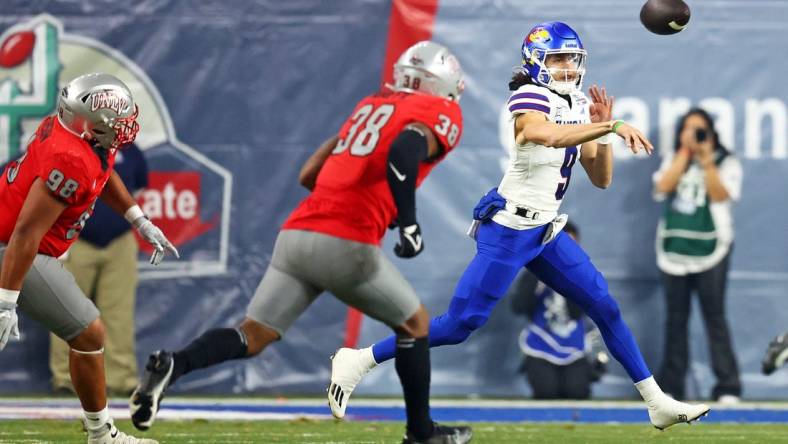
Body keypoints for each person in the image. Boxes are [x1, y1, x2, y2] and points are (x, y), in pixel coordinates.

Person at [329, 21, 710, 430]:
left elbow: (600, 179)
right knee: (459, 325)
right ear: (537, 61)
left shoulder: (579, 104)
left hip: (545, 231)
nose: (568, 67)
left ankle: (656, 402)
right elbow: (541, 133)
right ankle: (360, 359)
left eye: (572, 59)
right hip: (511, 228)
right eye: (559, 58)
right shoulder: (530, 94)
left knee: (605, 306)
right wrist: (610, 127)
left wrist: (602, 132)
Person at [129, 41, 472, 444]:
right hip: (345, 241)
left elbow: (309, 174)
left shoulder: (370, 107)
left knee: (252, 335)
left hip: (296, 235)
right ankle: (421, 434)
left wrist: (376, 203)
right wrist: (408, 224)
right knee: (414, 324)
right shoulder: (438, 110)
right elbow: (402, 152)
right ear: (442, 82)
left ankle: (175, 363)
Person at [0, 73, 178, 444]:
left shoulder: (83, 137)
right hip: (13, 248)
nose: (127, 127)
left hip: (20, 243)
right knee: (88, 331)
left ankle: (100, 434)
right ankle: (101, 435)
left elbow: (104, 172)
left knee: (88, 333)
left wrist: (138, 219)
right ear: (90, 124)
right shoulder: (70, 158)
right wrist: (6, 302)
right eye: (119, 121)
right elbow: (26, 234)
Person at [653, 108, 743, 403]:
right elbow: (663, 187)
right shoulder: (674, 159)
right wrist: (683, 153)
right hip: (674, 249)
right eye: (688, 129)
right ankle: (672, 385)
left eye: (699, 130)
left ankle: (728, 385)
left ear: (712, 133)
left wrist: (705, 160)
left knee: (714, 317)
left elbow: (721, 195)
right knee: (675, 319)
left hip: (712, 249)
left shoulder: (725, 162)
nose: (694, 135)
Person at [50, 142, 149, 396]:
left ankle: (121, 378)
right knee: (66, 311)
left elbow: (139, 186)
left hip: (120, 240)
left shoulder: (129, 150)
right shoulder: (66, 145)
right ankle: (66, 378)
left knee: (119, 313)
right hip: (74, 238)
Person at [509, 221, 607, 399]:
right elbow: (518, 307)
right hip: (540, 346)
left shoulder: (584, 275)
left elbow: (579, 312)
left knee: (576, 392)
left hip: (574, 348)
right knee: (546, 393)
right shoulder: (533, 271)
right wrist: (537, 278)